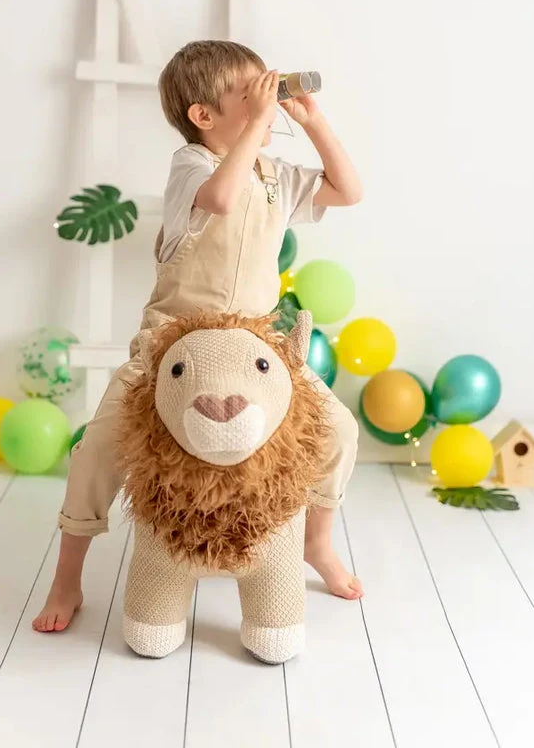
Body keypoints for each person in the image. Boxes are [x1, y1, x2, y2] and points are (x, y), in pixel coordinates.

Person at [33, 40, 363, 633]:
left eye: (265, 89)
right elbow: (221, 199)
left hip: (258, 346)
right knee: (97, 449)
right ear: (204, 116)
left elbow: (349, 190)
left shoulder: (273, 175)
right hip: (173, 343)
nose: (264, 101)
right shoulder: (193, 165)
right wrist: (257, 123)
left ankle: (317, 543)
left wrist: (313, 123)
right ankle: (67, 577)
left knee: (338, 428)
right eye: (248, 93)